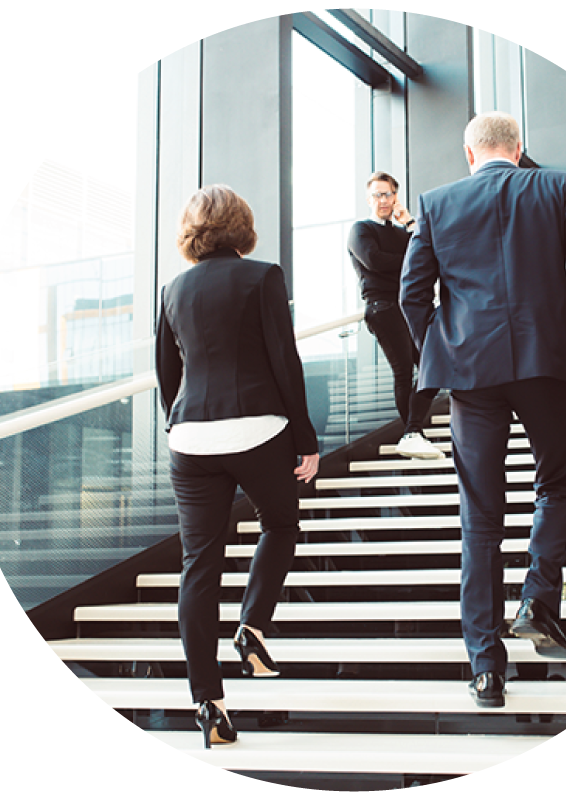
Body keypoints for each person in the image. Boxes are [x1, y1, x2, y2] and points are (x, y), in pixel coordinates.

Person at [400, 112, 566, 708]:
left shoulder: (436, 203)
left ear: (469, 153)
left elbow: (410, 293)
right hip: (548, 361)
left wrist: (442, 350)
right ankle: (538, 600)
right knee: (556, 484)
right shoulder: (557, 187)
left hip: (472, 376)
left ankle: (485, 669)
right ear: (518, 149)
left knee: (480, 516)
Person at [156, 184, 320, 747]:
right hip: (257, 427)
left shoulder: (172, 289)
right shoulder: (263, 276)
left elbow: (166, 373)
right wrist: (306, 437)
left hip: (191, 436)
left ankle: (209, 703)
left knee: (198, 565)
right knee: (280, 523)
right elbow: (284, 358)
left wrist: (178, 424)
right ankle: (252, 627)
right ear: (242, 226)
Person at [347, 171, 442, 459]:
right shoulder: (361, 230)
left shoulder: (402, 233)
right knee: (404, 370)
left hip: (406, 307)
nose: (383, 200)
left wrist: (410, 221)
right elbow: (374, 261)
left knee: (432, 366)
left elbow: (428, 253)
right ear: (368, 198)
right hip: (382, 308)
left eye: (388, 194)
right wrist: (412, 260)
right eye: (377, 194)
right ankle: (413, 432)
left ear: (395, 197)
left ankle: (412, 430)